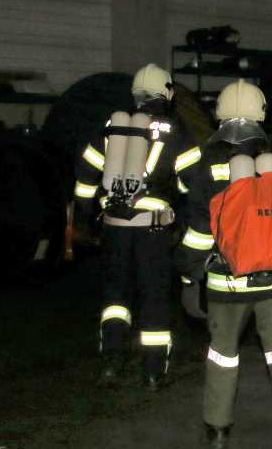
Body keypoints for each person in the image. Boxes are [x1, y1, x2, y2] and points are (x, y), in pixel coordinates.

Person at [174, 79, 272, 449]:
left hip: (229, 280)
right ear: (261, 113)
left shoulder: (209, 162)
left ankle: (217, 428)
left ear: (220, 114)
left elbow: (200, 229)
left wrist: (189, 275)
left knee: (223, 354)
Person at [72, 63, 189, 391]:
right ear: (166, 93)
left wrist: (89, 216)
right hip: (153, 230)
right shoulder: (175, 130)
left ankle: (111, 361)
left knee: (115, 296)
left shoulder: (113, 126)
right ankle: (153, 372)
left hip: (114, 226)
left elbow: (85, 175)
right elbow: (189, 182)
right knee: (153, 298)